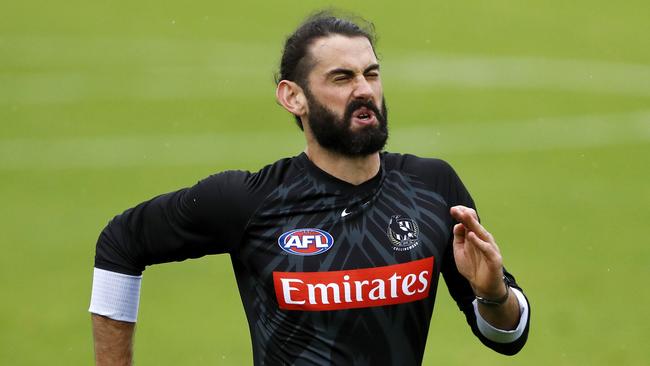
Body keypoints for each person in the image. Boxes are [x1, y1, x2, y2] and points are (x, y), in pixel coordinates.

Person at [89, 11, 530, 366]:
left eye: (371, 74)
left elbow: (507, 337)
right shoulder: (247, 202)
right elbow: (121, 243)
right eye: (342, 78)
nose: (364, 91)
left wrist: (493, 295)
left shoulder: (432, 187)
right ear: (293, 97)